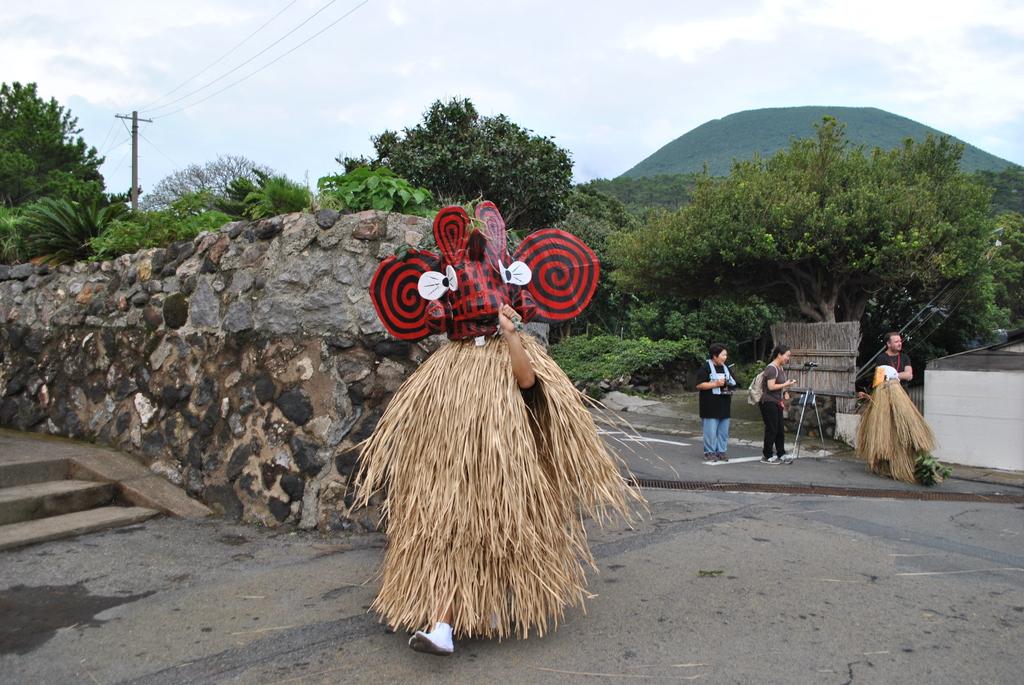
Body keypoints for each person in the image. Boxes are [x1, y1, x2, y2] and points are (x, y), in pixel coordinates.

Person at [355, 202, 642, 657]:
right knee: (451, 535)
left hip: (507, 475)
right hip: (453, 477)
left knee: (492, 535)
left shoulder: (515, 352)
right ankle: (447, 622)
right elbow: (424, 428)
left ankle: (474, 612)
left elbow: (529, 386)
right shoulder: (445, 371)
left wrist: (509, 335)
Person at [694, 343, 738, 462]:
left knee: (723, 432)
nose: (725, 358)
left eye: (726, 355)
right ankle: (709, 452)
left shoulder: (726, 367)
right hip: (709, 405)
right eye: (723, 355)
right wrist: (715, 384)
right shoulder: (705, 368)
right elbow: (699, 385)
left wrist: (729, 385)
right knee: (710, 432)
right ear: (714, 356)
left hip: (724, 404)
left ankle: (721, 451)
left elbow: (735, 382)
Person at [759, 344, 798, 465]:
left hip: (777, 401)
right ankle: (767, 455)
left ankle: (781, 453)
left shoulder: (780, 368)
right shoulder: (771, 368)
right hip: (768, 402)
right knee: (772, 429)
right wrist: (786, 384)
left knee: (780, 429)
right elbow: (771, 387)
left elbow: (779, 385)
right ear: (779, 355)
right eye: (787, 355)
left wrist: (785, 391)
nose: (788, 358)